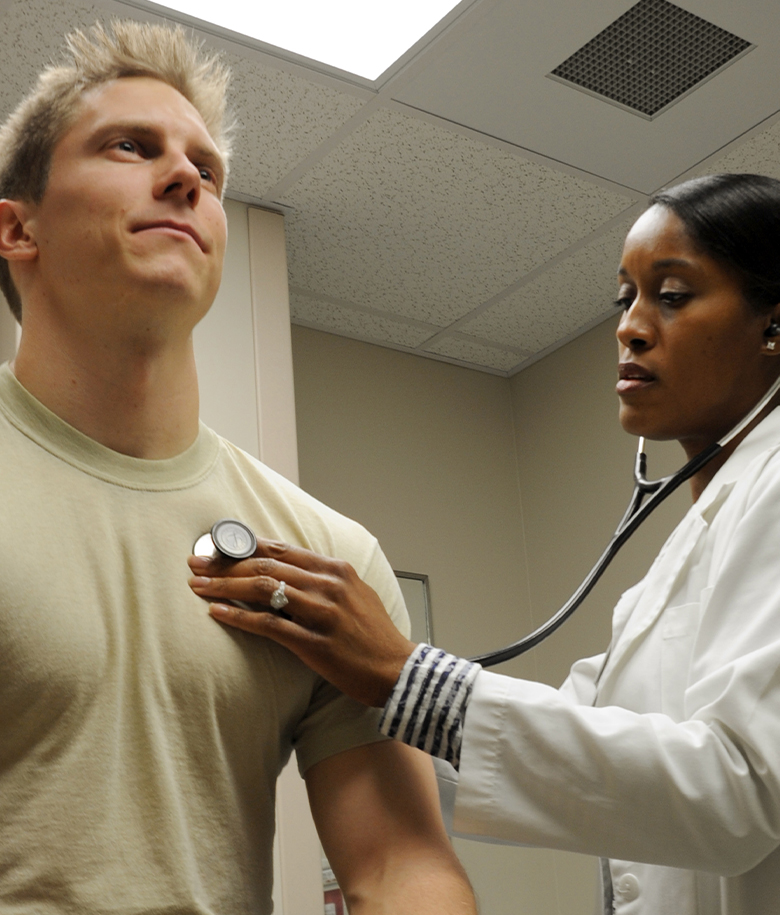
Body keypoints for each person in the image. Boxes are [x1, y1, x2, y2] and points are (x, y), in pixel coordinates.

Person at [189, 172, 780, 914]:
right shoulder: (683, 558)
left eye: (671, 294)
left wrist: (402, 672)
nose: (629, 326)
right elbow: (565, 753)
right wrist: (350, 672)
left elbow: (741, 788)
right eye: (623, 296)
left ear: (772, 326)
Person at [0, 19, 476, 915]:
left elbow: (400, 867)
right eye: (130, 146)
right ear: (17, 229)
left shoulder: (324, 557)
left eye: (207, 170)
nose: (185, 176)